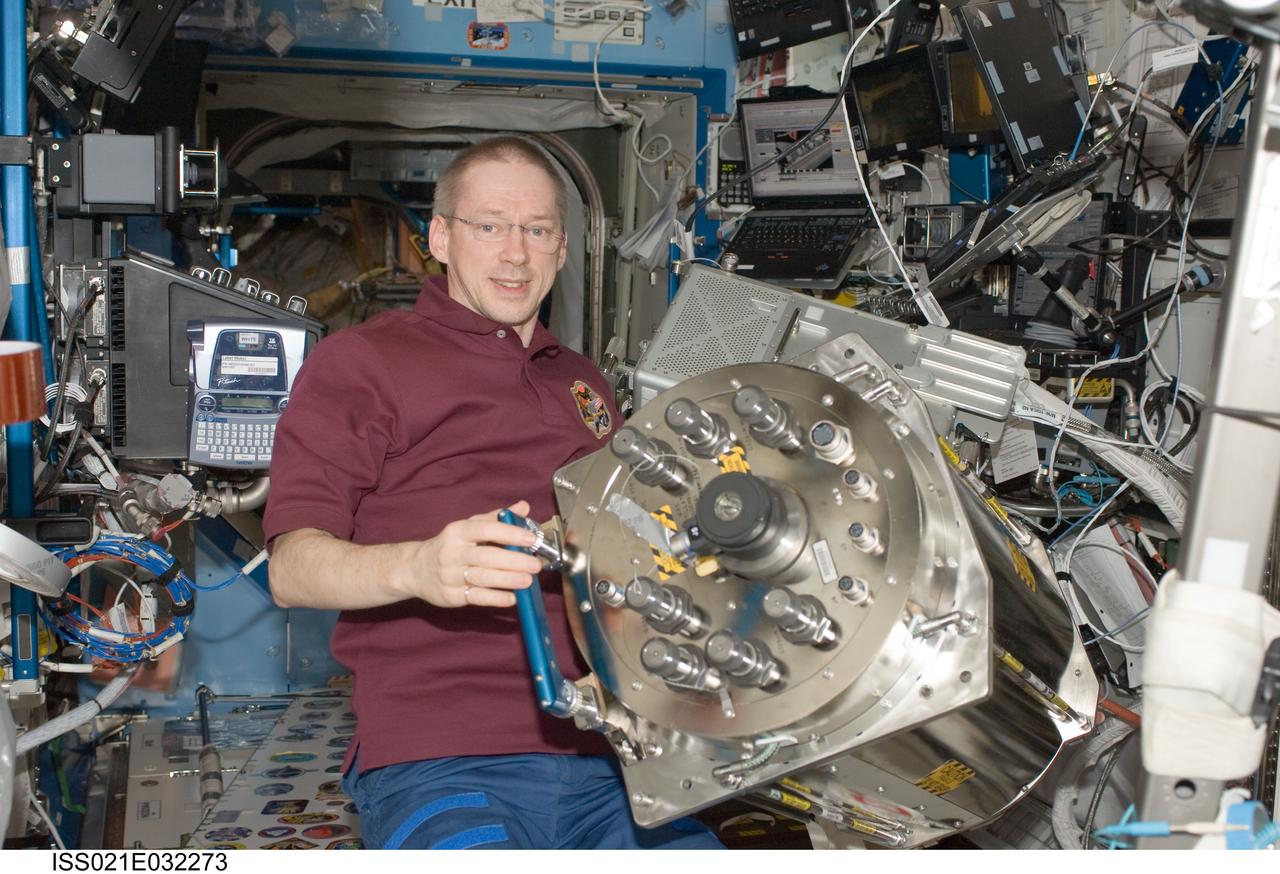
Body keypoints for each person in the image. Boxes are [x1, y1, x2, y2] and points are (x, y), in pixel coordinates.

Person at [264, 136, 722, 850]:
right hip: (442, 758)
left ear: (562, 249)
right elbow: (292, 569)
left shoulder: (583, 383)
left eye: (537, 230)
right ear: (441, 237)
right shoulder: (361, 363)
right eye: (490, 226)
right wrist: (419, 567)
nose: (515, 254)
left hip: (613, 757)